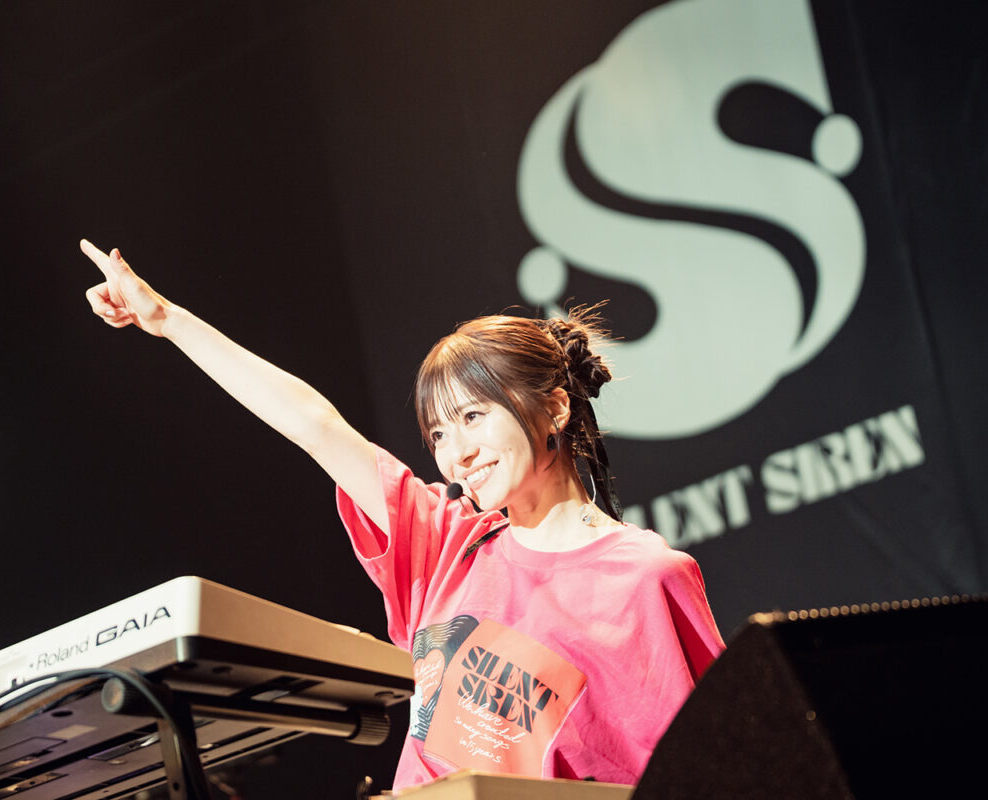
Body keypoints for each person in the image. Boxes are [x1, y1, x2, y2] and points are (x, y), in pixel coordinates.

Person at [80, 239, 724, 789]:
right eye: (439, 434)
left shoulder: (645, 577)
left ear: (555, 407)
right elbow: (315, 426)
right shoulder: (446, 544)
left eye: (473, 416)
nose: (457, 453)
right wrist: (168, 320)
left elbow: (711, 773)